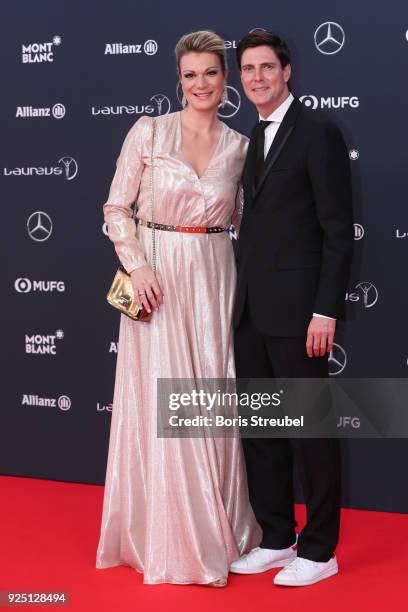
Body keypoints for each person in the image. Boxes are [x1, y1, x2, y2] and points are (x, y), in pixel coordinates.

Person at [96, 30, 261, 586]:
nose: (200, 84)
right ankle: (170, 536)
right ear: (179, 80)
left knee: (210, 393)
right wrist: (137, 265)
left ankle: (220, 527)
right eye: (190, 75)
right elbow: (117, 206)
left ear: (225, 77)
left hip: (214, 278)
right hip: (156, 280)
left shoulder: (241, 147)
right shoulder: (148, 131)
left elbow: (248, 223)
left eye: (210, 73)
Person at [230, 31, 353, 586]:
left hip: (302, 315)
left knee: (311, 433)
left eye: (266, 68)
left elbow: (336, 231)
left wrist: (325, 311)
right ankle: (277, 537)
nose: (256, 77)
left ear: (287, 72)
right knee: (262, 430)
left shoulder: (319, 133)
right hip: (252, 310)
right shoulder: (251, 138)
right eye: (248, 69)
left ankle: (321, 549)